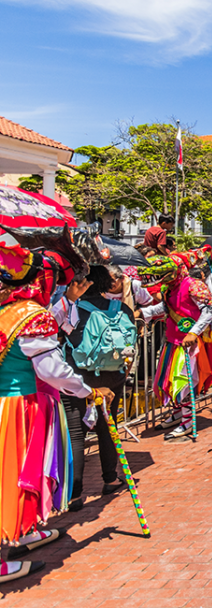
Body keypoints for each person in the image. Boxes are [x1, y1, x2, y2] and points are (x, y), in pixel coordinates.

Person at [0, 235, 114, 582]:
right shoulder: (33, 316)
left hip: (20, 403)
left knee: (25, 474)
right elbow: (52, 370)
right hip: (23, 407)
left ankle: (24, 531)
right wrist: (87, 390)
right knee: (15, 476)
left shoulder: (9, 310)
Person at [61, 266, 137, 507]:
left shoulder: (71, 310)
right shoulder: (122, 309)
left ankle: (74, 493)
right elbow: (130, 346)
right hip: (112, 377)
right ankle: (110, 479)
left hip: (78, 377)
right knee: (107, 427)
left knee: (76, 433)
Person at [138, 248, 212, 441]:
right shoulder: (167, 288)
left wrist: (193, 332)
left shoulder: (193, 285)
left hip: (190, 344)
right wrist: (142, 313)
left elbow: (209, 310)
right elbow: (164, 308)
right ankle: (177, 413)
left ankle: (188, 421)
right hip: (172, 340)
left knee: (184, 381)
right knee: (168, 381)